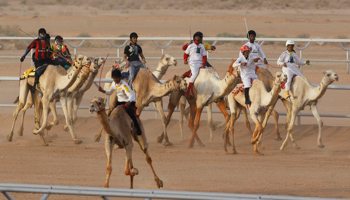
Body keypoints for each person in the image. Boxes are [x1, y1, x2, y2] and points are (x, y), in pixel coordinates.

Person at [98, 69, 142, 135]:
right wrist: (102, 91)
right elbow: (110, 92)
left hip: (129, 100)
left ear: (120, 77)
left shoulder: (124, 85)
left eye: (116, 78)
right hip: (120, 101)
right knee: (111, 112)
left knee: (130, 111)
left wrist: (128, 102)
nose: (115, 79)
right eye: (114, 78)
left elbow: (131, 94)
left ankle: (138, 129)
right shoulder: (113, 84)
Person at [20, 28, 52, 93]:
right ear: (39, 34)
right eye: (42, 34)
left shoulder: (47, 41)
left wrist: (51, 51)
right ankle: (35, 84)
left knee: (53, 66)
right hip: (38, 59)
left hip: (46, 58)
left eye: (44, 34)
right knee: (38, 70)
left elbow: (49, 49)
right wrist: (24, 56)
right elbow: (29, 48)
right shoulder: (36, 41)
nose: (43, 35)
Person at [183, 31, 207, 98]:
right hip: (193, 62)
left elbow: (205, 56)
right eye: (201, 38)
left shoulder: (202, 46)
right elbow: (185, 54)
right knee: (195, 74)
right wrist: (185, 60)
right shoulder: (190, 46)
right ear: (197, 38)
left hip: (200, 62)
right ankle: (188, 91)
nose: (202, 39)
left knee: (208, 73)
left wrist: (203, 64)